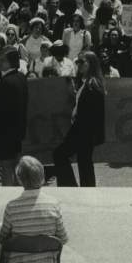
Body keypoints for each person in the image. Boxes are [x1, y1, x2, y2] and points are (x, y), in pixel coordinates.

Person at [0, 156, 68, 263]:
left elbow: (2, 238)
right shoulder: (54, 205)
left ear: (19, 179)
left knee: (3, 237)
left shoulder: (12, 206)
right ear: (42, 177)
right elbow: (63, 238)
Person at [53, 51, 105, 187]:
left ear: (91, 64)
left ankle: (70, 187)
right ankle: (85, 190)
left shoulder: (92, 85)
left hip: (83, 131)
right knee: (84, 162)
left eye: (82, 62)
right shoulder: (86, 83)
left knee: (60, 155)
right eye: (77, 62)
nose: (79, 65)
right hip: (84, 131)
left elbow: (91, 113)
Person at [0, 47, 28, 186]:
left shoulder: (6, 82)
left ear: (10, 62)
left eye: (2, 60)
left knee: (6, 168)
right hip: (18, 132)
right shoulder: (21, 78)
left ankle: (8, 196)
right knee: (16, 166)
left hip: (5, 133)